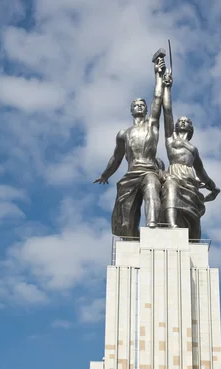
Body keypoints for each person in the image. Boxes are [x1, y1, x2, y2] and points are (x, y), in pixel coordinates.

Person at [94, 54, 166, 238]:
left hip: (149, 169)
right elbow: (116, 158)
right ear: (131, 110)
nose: (140, 106)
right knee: (126, 218)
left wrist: (158, 74)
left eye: (142, 104)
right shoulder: (123, 133)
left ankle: (153, 226)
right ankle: (131, 236)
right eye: (136, 104)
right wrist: (105, 174)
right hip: (131, 174)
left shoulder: (152, 125)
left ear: (146, 109)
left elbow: (157, 98)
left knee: (152, 188)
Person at [161, 71, 220, 240]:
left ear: (190, 128)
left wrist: (212, 186)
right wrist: (167, 88)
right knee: (171, 190)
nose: (184, 122)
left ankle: (192, 240)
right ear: (177, 126)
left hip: (190, 180)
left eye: (187, 121)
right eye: (181, 121)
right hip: (174, 174)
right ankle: (171, 225)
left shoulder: (193, 149)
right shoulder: (171, 139)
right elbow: (167, 111)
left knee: (193, 215)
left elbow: (202, 172)